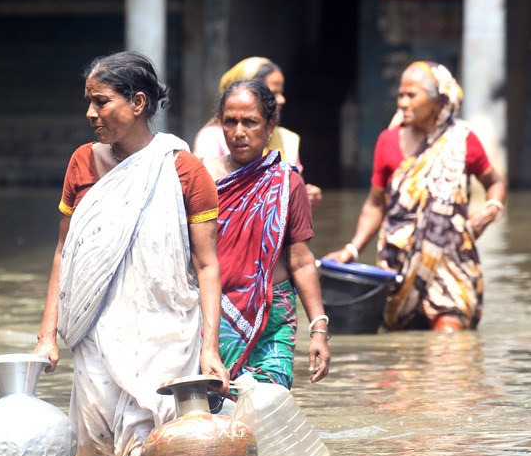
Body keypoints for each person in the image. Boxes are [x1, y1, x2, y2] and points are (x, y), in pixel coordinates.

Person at [32, 51, 229, 456]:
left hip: (166, 337)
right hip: (96, 338)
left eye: (101, 102)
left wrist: (210, 349)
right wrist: (47, 334)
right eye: (89, 102)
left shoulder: (185, 170)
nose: (90, 113)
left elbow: (208, 265)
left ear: (138, 103)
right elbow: (63, 251)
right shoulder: (82, 164)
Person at [324, 61, 507, 332]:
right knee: (402, 350)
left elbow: (494, 182)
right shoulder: (387, 141)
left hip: (451, 263)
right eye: (401, 95)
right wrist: (353, 248)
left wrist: (491, 208)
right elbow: (376, 203)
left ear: (437, 102)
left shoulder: (461, 140)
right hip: (399, 265)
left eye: (412, 95)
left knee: (448, 338)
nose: (403, 102)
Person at [201, 78, 330, 392]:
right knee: (214, 417)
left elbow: (300, 261)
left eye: (250, 122)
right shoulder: (200, 179)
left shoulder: (287, 183)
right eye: (230, 122)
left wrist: (319, 328)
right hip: (214, 318)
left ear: (270, 125)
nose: (239, 132)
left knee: (267, 406)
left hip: (272, 322)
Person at [193, 57, 323, 210]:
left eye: (251, 122)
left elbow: (296, 195)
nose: (281, 100)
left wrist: (307, 197)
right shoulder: (212, 138)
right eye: (274, 93)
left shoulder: (287, 139)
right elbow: (202, 194)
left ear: (269, 127)